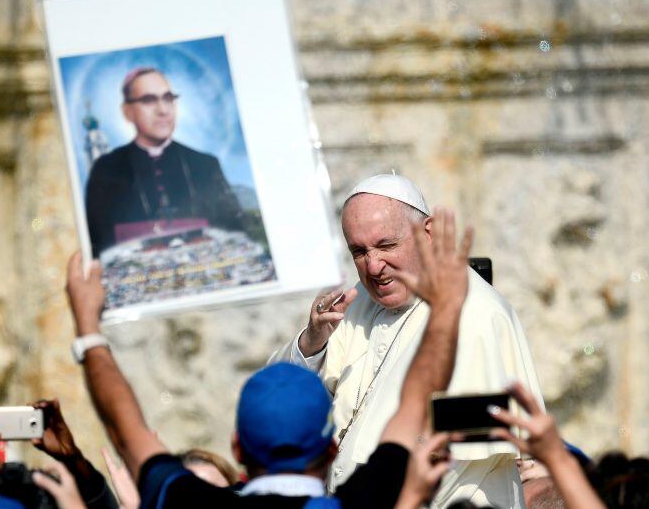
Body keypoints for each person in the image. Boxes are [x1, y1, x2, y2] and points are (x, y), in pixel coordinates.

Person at [63, 207, 473, 508]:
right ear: (331, 448)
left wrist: (88, 329)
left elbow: (126, 430)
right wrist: (448, 309)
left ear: (237, 448)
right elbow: (416, 405)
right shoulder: (364, 501)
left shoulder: (187, 501)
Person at [270, 173, 545, 507]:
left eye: (386, 245)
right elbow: (274, 402)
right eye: (359, 251)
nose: (373, 266)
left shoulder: (476, 313)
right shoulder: (356, 305)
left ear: (427, 233)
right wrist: (311, 344)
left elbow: (459, 459)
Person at [85, 67, 246, 257]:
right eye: (148, 100)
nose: (163, 110)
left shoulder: (205, 164)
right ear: (127, 111)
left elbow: (236, 232)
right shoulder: (106, 170)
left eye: (168, 98)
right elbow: (98, 242)